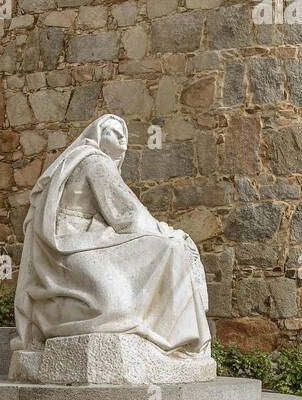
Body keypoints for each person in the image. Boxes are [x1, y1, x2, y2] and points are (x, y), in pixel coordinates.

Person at [13, 115, 211, 358]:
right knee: (169, 248)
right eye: (113, 133)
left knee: (158, 255)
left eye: (124, 135)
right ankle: (174, 334)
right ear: (97, 135)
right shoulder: (96, 161)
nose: (122, 139)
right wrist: (165, 231)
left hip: (74, 243)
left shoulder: (77, 160)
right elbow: (128, 216)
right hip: (74, 243)